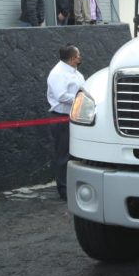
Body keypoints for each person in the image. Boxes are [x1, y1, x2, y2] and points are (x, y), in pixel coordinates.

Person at [46, 44, 85, 200]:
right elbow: (61, 96)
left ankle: (73, 186)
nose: (80, 58)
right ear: (72, 58)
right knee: (63, 156)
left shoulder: (73, 72)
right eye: (78, 56)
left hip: (75, 118)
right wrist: (81, 100)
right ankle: (64, 191)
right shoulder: (57, 73)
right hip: (61, 119)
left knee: (74, 155)